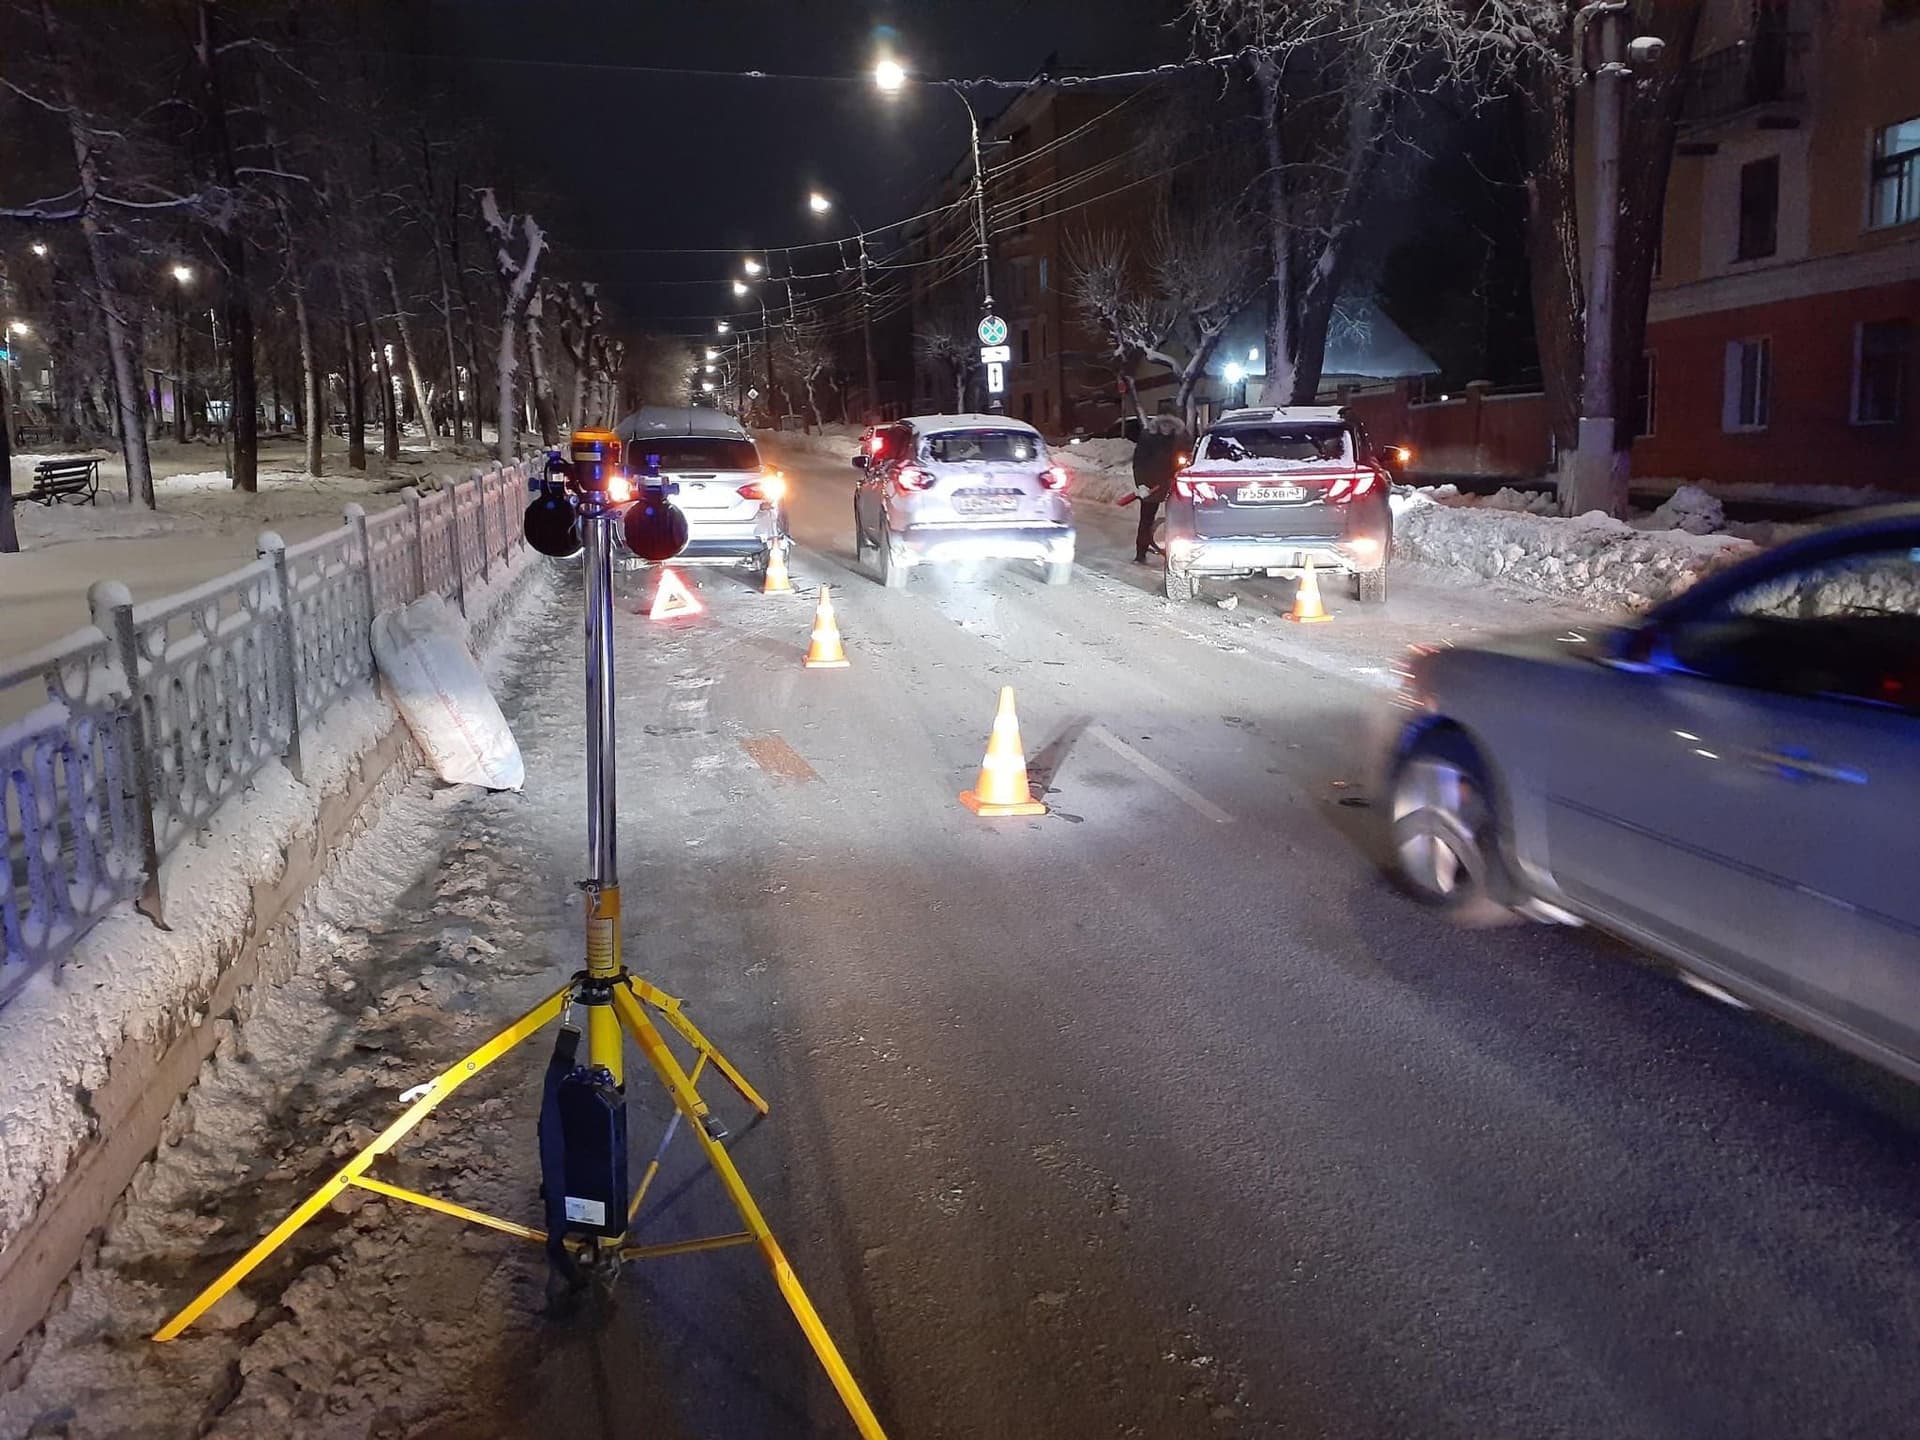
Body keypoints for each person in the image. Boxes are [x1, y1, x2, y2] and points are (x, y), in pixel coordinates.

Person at [1131, 415, 1187, 564]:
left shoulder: (1178, 439)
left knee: (1177, 519)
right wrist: (1141, 485)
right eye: (1163, 425)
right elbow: (1139, 462)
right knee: (1146, 519)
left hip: (1173, 484)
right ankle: (1141, 552)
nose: (1166, 428)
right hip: (1152, 485)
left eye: (1169, 425)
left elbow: (1184, 457)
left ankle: (1177, 553)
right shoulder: (1148, 438)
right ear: (1158, 425)